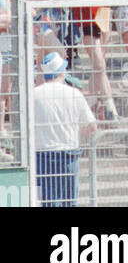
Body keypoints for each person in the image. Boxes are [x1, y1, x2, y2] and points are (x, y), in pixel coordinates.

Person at [33, 51, 96, 208]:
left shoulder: (33, 94)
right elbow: (91, 126)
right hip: (69, 153)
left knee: (46, 201)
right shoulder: (74, 94)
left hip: (42, 154)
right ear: (62, 71)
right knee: (69, 201)